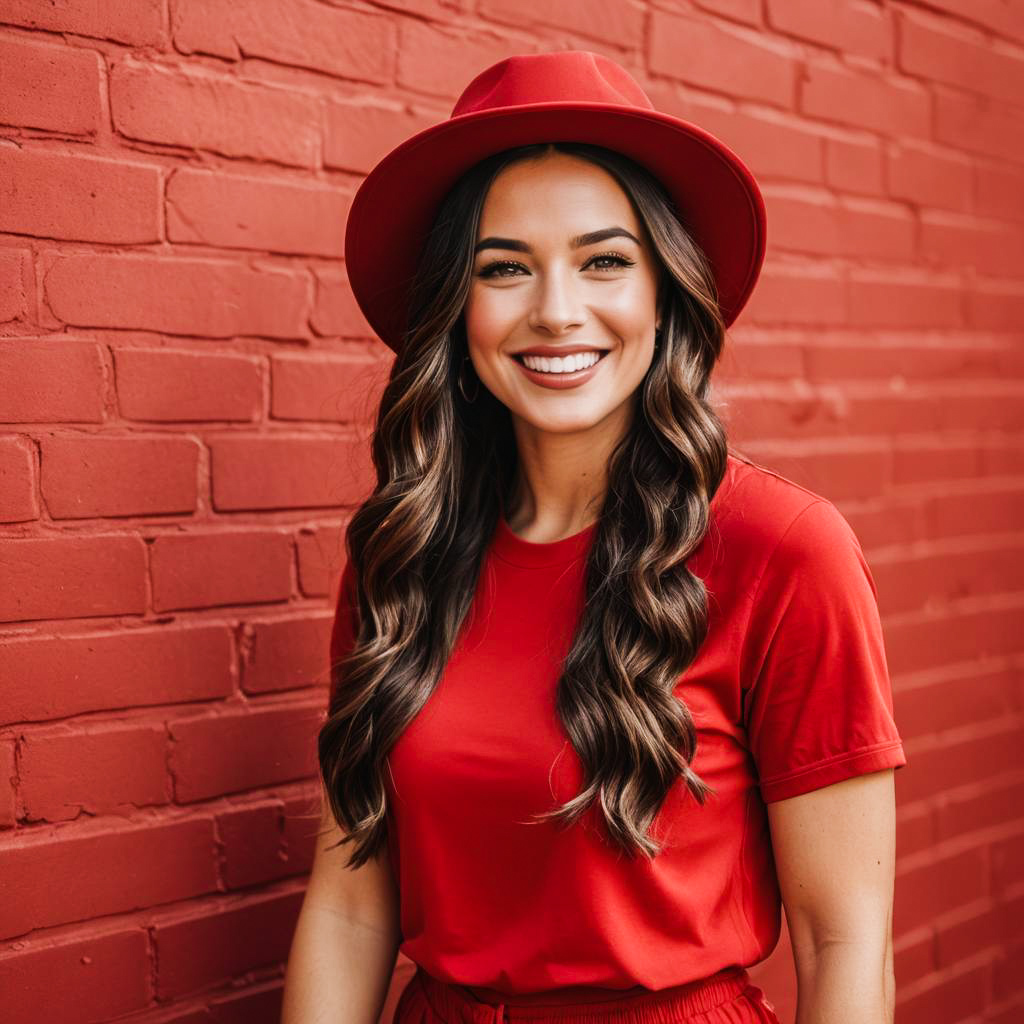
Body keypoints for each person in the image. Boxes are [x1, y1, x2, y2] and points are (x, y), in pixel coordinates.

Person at [282, 50, 908, 1024]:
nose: (557, 311)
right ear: (457, 308)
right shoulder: (399, 557)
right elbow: (352, 908)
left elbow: (846, 939)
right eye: (504, 268)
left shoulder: (782, 551)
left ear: (665, 291)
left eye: (603, 259)